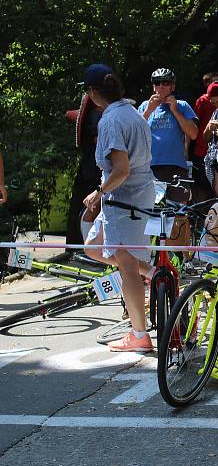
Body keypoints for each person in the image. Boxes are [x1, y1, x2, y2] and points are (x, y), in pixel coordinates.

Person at [79, 64, 156, 352]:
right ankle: (156, 273)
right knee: (93, 246)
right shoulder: (132, 112)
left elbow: (121, 169)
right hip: (131, 195)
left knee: (126, 265)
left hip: (124, 198)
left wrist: (98, 192)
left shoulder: (111, 120)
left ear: (92, 93)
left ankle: (139, 334)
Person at [139, 68, 199, 255]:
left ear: (172, 86)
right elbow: (134, 133)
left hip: (175, 167)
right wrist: (148, 110)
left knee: (179, 215)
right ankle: (150, 257)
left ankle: (180, 257)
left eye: (165, 83)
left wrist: (174, 111)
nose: (161, 87)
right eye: (157, 83)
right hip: (150, 168)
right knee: (148, 215)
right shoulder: (145, 105)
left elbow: (194, 133)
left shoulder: (181, 105)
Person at [65, 93, 103, 244]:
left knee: (86, 210)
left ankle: (84, 248)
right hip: (93, 170)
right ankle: (86, 249)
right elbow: (99, 141)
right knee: (89, 210)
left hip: (91, 169)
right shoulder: (96, 115)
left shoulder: (97, 115)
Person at [192, 72, 218, 203]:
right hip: (203, 151)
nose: (217, 86)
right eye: (214, 82)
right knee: (202, 190)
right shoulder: (202, 101)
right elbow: (194, 124)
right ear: (207, 85)